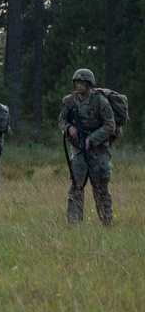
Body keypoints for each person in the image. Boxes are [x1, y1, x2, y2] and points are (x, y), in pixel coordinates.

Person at [59, 68, 116, 225]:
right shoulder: (69, 101)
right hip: (78, 150)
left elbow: (110, 125)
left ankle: (106, 222)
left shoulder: (100, 101)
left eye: (82, 82)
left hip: (99, 151)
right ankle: (74, 223)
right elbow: (62, 120)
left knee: (100, 188)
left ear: (89, 84)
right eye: (77, 82)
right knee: (76, 187)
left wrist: (92, 138)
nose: (79, 85)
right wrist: (68, 127)